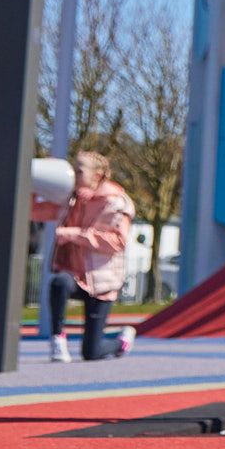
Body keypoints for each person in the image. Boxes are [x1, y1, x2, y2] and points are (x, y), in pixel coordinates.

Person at [46, 151, 137, 364]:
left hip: (101, 280)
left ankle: (121, 342)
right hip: (77, 276)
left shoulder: (115, 202)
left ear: (97, 175)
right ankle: (57, 339)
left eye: (79, 171)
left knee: (91, 353)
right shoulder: (71, 199)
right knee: (59, 283)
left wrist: (74, 234)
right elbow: (39, 211)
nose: (73, 175)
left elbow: (118, 242)